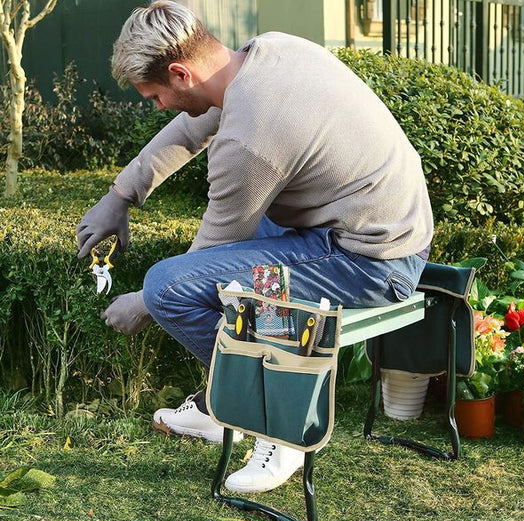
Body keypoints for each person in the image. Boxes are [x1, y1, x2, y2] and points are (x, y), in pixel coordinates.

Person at [76, 0, 433, 494]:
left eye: (155, 95)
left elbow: (211, 252)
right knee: (232, 277)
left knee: (167, 287)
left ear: (180, 73)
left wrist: (145, 303)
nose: (156, 106)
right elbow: (193, 126)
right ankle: (217, 407)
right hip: (374, 231)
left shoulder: (251, 140)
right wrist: (119, 195)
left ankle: (279, 422)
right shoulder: (267, 52)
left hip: (370, 262)